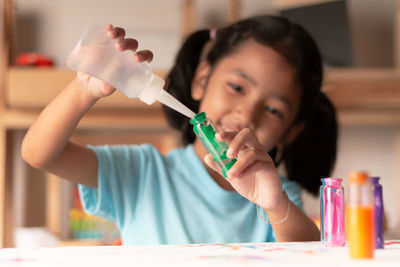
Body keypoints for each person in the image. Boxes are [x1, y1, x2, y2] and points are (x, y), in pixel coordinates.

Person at [22, 15, 337, 245]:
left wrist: (275, 204)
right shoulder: (142, 172)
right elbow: (39, 154)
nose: (246, 113)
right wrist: (84, 90)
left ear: (292, 130)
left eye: (272, 109)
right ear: (202, 80)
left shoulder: (278, 198)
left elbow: (308, 255)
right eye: (237, 86)